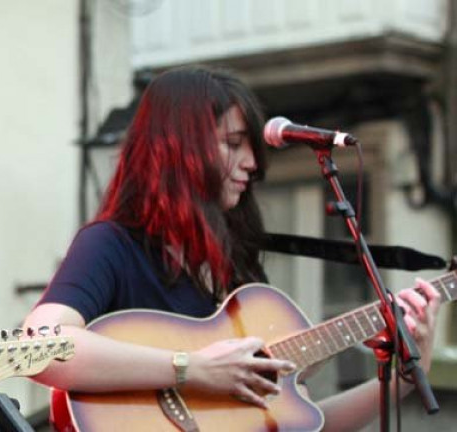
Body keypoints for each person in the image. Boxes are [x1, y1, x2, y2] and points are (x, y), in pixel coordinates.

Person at [23, 66, 441, 431]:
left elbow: (302, 423)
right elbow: (36, 349)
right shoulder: (112, 245)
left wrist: (409, 373)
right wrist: (191, 368)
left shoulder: (236, 276)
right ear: (179, 149)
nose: (252, 164)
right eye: (232, 143)